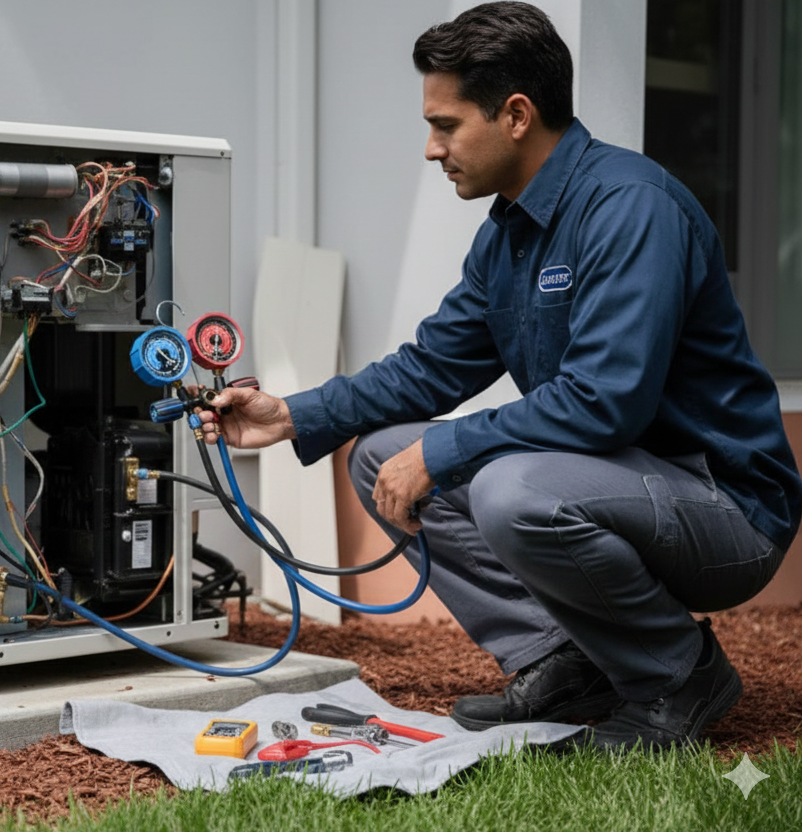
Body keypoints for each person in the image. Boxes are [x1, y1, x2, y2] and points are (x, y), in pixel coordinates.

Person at [200, 1, 801, 750]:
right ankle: (565, 660)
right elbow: (432, 366)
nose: (431, 149)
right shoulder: (510, 233)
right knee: (385, 455)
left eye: (446, 126)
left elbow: (603, 402)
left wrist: (448, 452)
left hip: (726, 507)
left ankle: (679, 675)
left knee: (509, 489)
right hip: (628, 486)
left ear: (516, 114)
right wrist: (291, 412)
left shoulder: (630, 208)